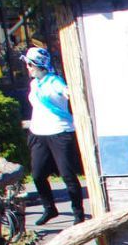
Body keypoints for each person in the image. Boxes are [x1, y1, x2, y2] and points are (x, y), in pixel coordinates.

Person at [23, 46, 85, 227]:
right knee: (37, 174)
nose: (27, 67)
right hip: (38, 133)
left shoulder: (54, 81)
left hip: (59, 132)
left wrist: (70, 93)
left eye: (29, 64)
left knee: (68, 175)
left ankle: (78, 212)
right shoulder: (34, 83)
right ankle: (49, 208)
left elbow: (66, 91)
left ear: (37, 65)